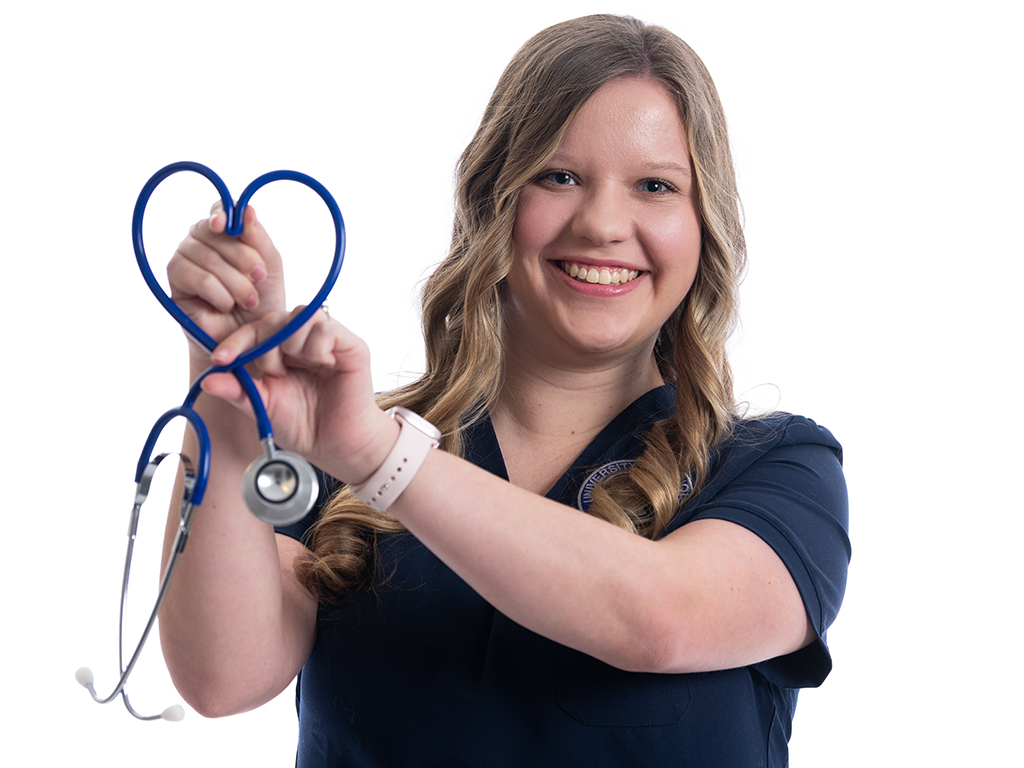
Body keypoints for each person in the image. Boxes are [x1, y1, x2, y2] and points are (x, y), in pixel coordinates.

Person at [159, 13, 850, 767]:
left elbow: (659, 619)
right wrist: (227, 406)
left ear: (704, 223)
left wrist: (382, 458)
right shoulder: (340, 452)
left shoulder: (776, 468)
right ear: (495, 199)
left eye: (655, 186)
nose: (604, 223)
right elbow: (222, 679)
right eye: (559, 177)